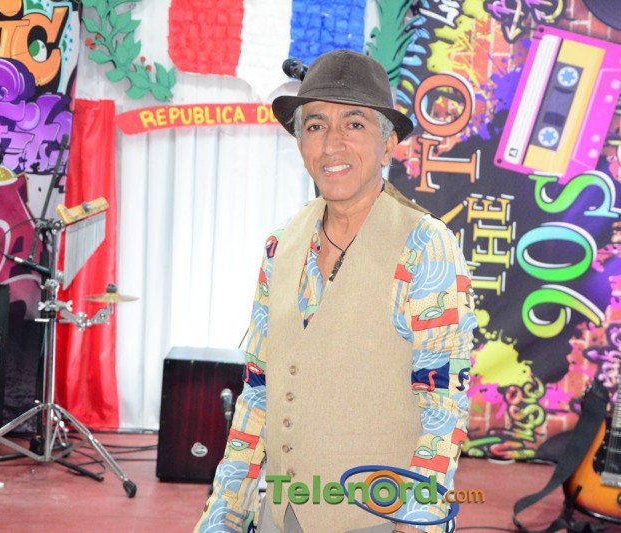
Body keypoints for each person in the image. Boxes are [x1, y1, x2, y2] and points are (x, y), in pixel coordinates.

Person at [195, 49, 475, 533]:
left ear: (387, 145)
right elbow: (258, 393)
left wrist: (417, 522)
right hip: (283, 514)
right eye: (316, 125)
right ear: (300, 142)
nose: (331, 144)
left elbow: (444, 404)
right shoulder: (280, 245)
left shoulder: (425, 245)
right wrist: (225, 514)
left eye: (354, 124)